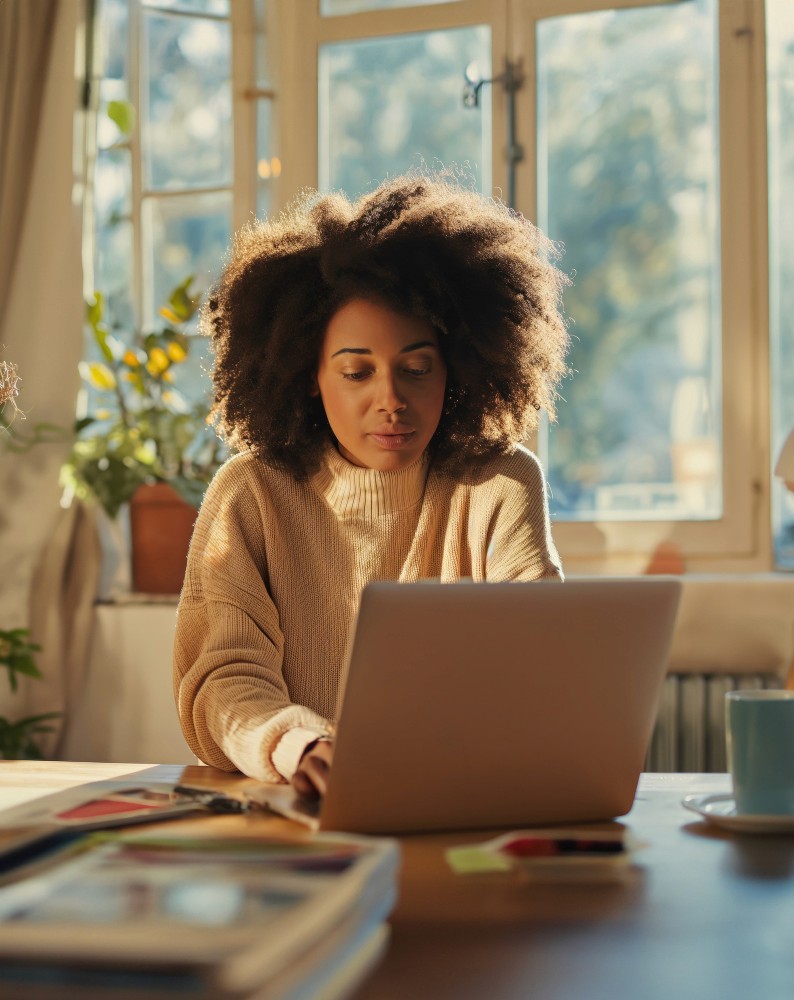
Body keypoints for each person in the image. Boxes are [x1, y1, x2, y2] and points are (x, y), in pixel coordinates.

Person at [173, 172, 570, 800]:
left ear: (457, 370)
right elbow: (222, 675)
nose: (391, 399)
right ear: (308, 375)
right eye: (357, 372)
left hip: (466, 796)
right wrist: (296, 743)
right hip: (298, 805)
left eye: (416, 368)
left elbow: (544, 652)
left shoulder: (500, 483)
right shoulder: (250, 494)